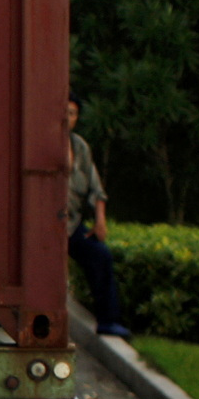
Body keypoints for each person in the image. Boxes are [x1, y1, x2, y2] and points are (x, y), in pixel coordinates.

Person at [65, 96, 132, 337]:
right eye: (64, 112)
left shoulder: (80, 147)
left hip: (70, 225)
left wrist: (100, 220)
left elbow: (96, 189)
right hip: (45, 228)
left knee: (99, 254)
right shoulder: (44, 142)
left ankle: (108, 321)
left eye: (72, 113)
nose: (67, 118)